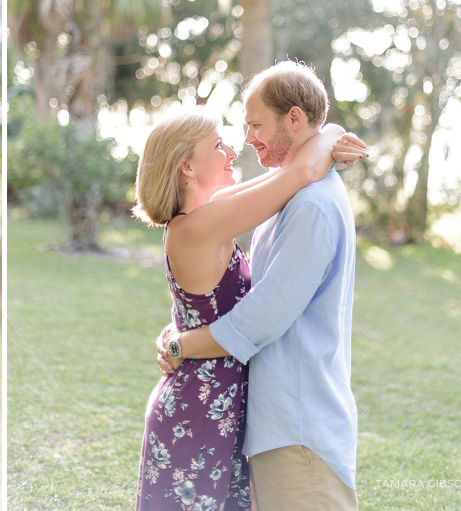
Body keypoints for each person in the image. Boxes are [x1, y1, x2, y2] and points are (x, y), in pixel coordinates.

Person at [132, 101, 364, 510]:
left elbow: (290, 174)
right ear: (187, 166)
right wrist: (328, 134)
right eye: (219, 144)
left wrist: (177, 339)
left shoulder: (205, 216)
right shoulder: (200, 226)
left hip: (221, 408)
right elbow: (298, 173)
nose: (234, 151)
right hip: (198, 411)